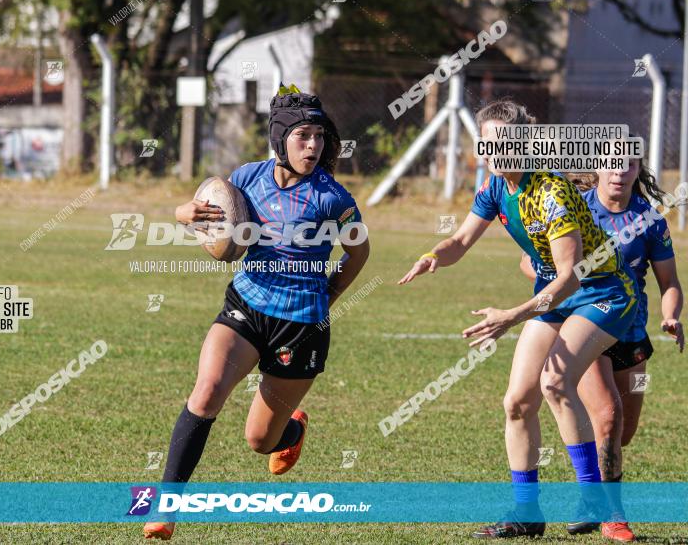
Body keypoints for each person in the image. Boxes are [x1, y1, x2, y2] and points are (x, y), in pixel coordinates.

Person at [398, 99, 638, 540]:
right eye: (486, 143)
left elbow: (569, 276)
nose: (491, 150)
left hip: (602, 293)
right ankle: (527, 513)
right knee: (517, 401)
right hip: (555, 298)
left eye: (500, 142)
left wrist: (511, 316)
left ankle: (592, 497)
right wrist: (434, 255)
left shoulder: (551, 193)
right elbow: (461, 239)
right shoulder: (493, 187)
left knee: (555, 382)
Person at [143, 85, 370, 540]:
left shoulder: (333, 198)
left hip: (302, 326)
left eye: (320, 137)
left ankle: (290, 432)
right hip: (245, 307)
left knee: (260, 441)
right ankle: (165, 507)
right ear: (280, 139)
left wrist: (329, 294)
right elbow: (207, 220)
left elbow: (359, 252)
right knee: (206, 393)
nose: (314, 145)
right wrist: (183, 213)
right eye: (303, 135)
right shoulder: (244, 179)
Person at [517, 157, 683, 541]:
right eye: (610, 163)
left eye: (627, 164)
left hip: (632, 332)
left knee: (621, 433)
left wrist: (670, 315)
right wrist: (565, 277)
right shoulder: (574, 206)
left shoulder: (650, 219)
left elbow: (670, 281)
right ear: (598, 167)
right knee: (608, 415)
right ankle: (611, 514)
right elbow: (528, 262)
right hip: (590, 321)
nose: (618, 171)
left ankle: (588, 495)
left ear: (637, 169)